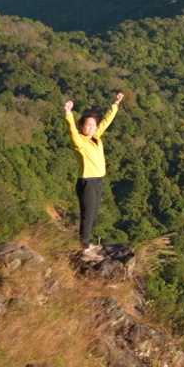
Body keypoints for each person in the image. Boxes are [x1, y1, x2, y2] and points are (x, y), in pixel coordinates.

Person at [64, 92, 124, 255]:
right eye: (87, 125)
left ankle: (86, 242)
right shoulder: (80, 142)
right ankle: (84, 247)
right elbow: (72, 132)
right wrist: (69, 114)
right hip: (87, 182)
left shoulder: (96, 137)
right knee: (88, 215)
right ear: (81, 126)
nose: (91, 128)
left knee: (93, 213)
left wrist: (115, 105)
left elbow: (105, 122)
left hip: (98, 181)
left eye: (93, 125)